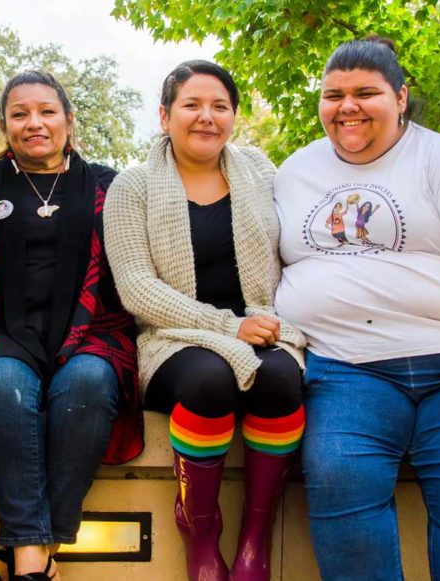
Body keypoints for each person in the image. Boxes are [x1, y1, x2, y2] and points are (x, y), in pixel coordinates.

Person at [273, 36, 440, 580]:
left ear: (401, 97)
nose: (347, 107)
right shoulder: (294, 171)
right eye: (333, 94)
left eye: (366, 92)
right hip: (344, 372)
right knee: (339, 481)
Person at [104, 60, 306, 581]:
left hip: (261, 325)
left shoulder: (261, 171)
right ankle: (200, 534)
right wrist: (224, 327)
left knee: (282, 380)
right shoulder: (134, 185)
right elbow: (136, 289)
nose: (206, 117)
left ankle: (255, 543)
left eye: (220, 106)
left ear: (234, 115)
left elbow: (299, 248)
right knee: (209, 381)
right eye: (191, 105)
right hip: (171, 338)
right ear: (165, 114)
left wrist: (257, 325)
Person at [0, 70, 141, 581]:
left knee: (87, 384)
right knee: (3, 387)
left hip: (92, 329)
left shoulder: (110, 185)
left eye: (46, 111)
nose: (34, 123)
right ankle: (36, 562)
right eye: (20, 114)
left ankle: (25, 553)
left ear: (68, 120)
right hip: (1, 329)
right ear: (5, 125)